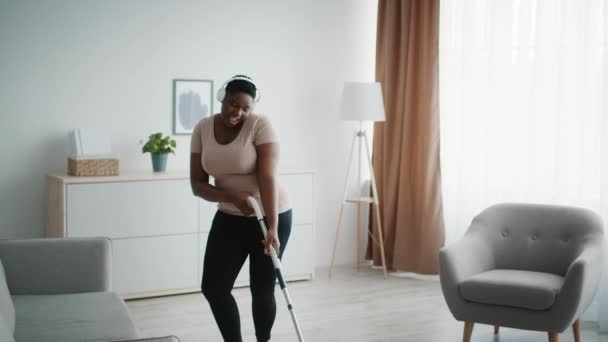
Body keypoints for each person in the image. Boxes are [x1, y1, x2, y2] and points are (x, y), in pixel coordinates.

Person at [190, 75, 292, 342]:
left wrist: (272, 226)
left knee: (261, 289)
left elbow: (267, 177)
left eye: (246, 108)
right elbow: (198, 185)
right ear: (223, 97)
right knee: (214, 287)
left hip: (268, 215)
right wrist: (231, 197)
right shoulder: (203, 128)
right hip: (229, 215)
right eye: (233, 104)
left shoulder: (261, 125)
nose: (238, 112)